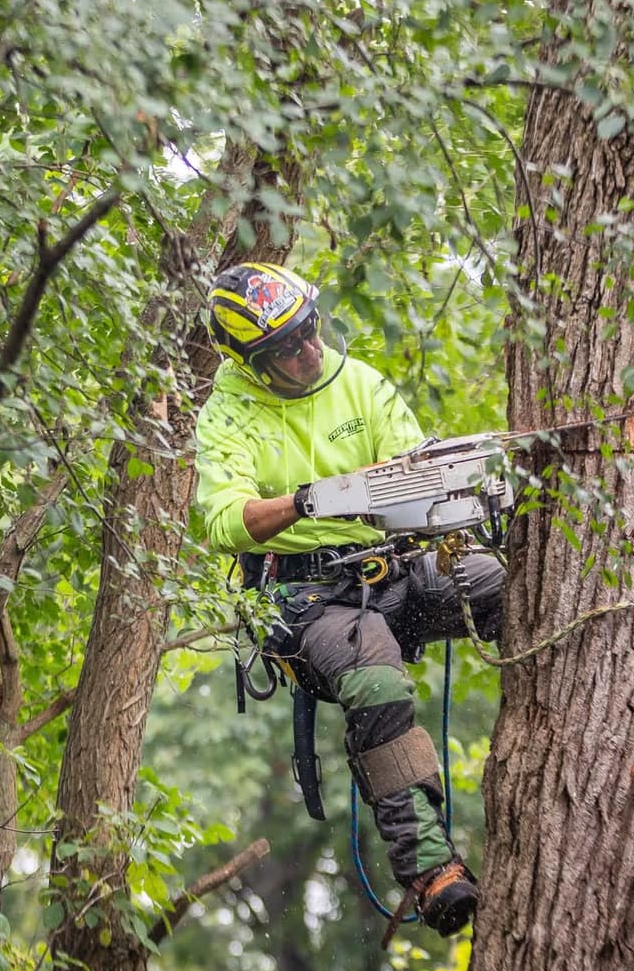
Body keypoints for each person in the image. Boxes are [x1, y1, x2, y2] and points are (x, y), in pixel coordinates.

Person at [194, 261, 505, 936]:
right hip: (306, 596)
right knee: (371, 672)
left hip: (392, 567)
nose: (309, 352)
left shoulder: (357, 381)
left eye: (310, 332)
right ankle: (430, 869)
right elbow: (223, 519)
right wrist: (309, 500)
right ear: (251, 363)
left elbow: (412, 472)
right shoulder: (230, 416)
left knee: (506, 581)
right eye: (287, 349)